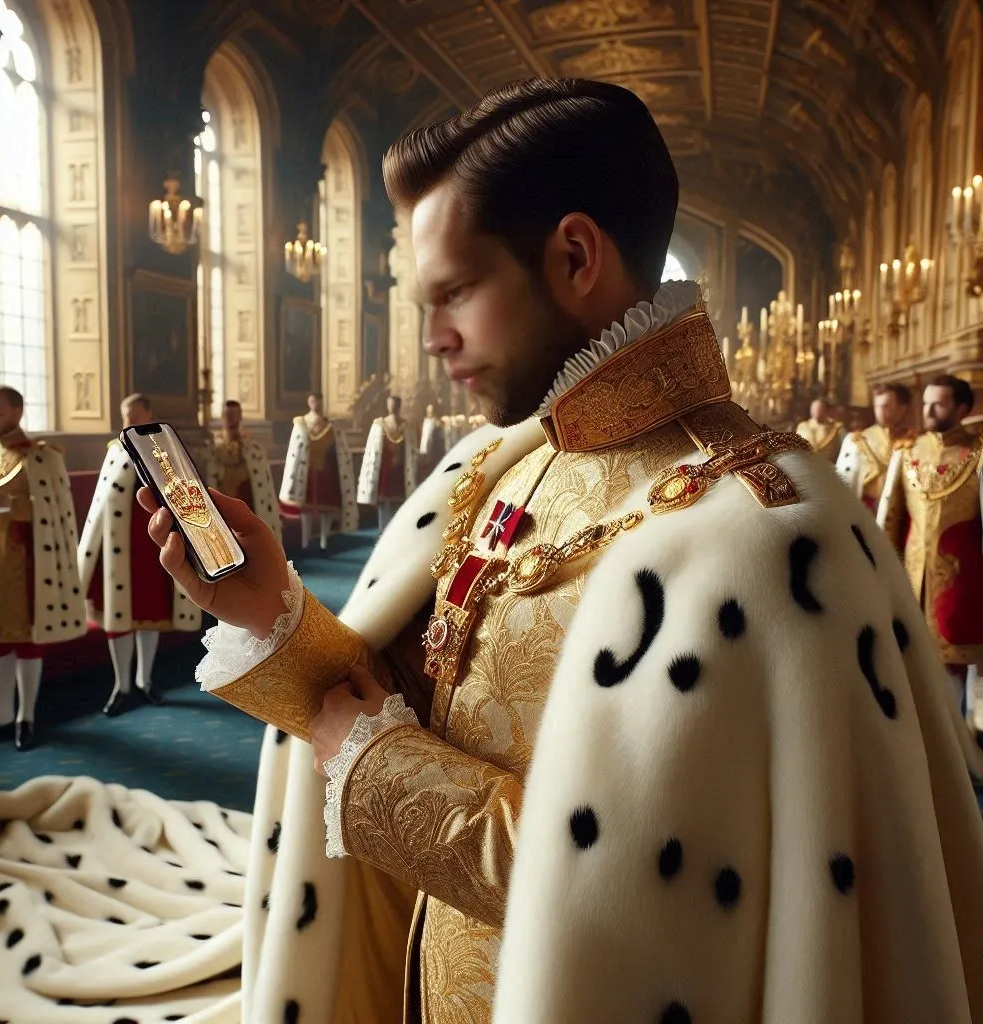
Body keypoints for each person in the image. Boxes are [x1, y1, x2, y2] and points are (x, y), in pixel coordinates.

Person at [139, 79, 983, 1023]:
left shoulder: (764, 533)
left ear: (576, 256)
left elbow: (653, 915)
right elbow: (383, 709)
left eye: (456, 292)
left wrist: (377, 770)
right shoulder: (499, 464)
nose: (433, 340)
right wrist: (267, 612)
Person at [0, 385, 85, 750]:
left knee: (27, 637)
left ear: (17, 412)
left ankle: (25, 716)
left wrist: (12, 506)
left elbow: (59, 513)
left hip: (30, 557)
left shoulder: (42, 457)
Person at [77, 394, 201, 716]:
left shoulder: (164, 447)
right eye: (125, 418)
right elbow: (101, 502)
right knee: (117, 617)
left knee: (151, 614)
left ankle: (145, 681)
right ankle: (122, 685)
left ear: (149, 415)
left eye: (135, 417)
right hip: (117, 547)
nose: (129, 424)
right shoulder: (114, 451)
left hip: (151, 544)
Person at [877, 373, 983, 741]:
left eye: (938, 403)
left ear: (962, 408)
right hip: (909, 577)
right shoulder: (906, 453)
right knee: (908, 662)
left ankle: (963, 745)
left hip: (963, 581)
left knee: (957, 667)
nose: (928, 410)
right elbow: (888, 521)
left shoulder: (978, 454)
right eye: (926, 403)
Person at [279, 392, 358, 550]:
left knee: (325, 509)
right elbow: (294, 450)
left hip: (324, 471)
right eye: (313, 401)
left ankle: (323, 540)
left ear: (322, 402)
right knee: (306, 509)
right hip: (305, 472)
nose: (315, 404)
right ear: (309, 402)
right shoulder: (301, 423)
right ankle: (305, 541)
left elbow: (337, 449)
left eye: (318, 401)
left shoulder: (330, 424)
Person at [206, 399, 282, 545]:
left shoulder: (255, 451)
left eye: (234, 415)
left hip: (251, 508)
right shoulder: (213, 452)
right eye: (227, 415)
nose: (231, 419)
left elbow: (266, 492)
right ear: (222, 417)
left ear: (240, 416)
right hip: (226, 508)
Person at [835, 381, 915, 515]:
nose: (880, 411)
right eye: (877, 406)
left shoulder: (915, 442)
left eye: (887, 406)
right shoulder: (857, 441)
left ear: (902, 408)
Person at [356, 394, 417, 531]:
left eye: (395, 404)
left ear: (399, 406)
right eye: (390, 404)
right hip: (384, 468)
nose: (392, 407)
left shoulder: (406, 425)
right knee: (383, 502)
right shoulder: (379, 424)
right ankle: (383, 530)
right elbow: (373, 447)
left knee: (399, 501)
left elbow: (411, 448)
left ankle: (397, 530)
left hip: (400, 468)